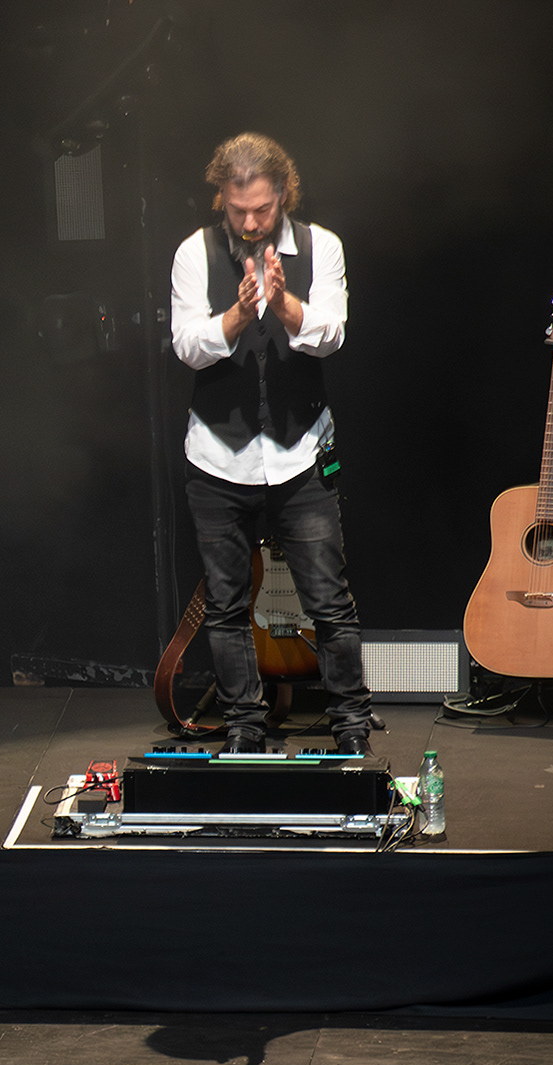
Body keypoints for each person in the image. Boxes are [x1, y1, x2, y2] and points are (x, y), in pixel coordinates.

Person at [169, 131, 373, 755]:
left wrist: (281, 302)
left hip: (300, 453)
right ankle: (244, 729)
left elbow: (331, 334)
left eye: (261, 209)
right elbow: (187, 346)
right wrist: (237, 313)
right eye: (238, 211)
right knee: (226, 607)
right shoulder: (195, 253)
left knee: (329, 601)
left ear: (283, 193)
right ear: (221, 199)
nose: (251, 223)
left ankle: (351, 725)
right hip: (217, 457)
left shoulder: (321, 246)